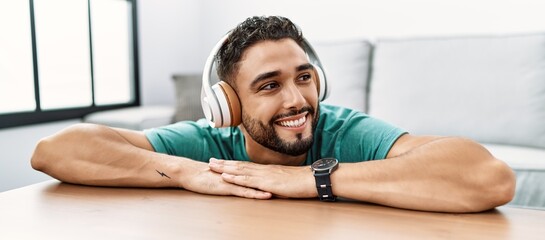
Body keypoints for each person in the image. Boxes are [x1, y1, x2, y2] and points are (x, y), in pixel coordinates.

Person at [31, 16, 515, 213]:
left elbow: (488, 178)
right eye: (269, 86)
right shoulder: (207, 146)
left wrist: (313, 180)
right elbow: (54, 150)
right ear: (228, 105)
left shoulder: (343, 131)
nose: (297, 101)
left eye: (304, 78)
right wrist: (186, 173)